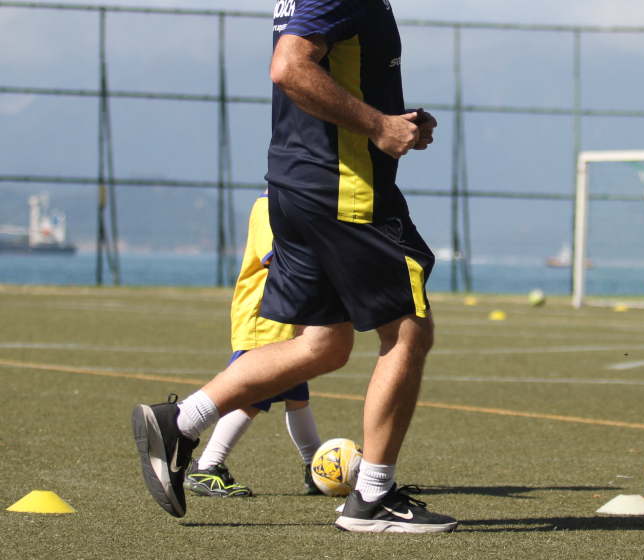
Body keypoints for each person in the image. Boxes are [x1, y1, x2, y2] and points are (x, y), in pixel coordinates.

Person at [132, 0, 458, 533]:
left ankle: (180, 422)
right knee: (407, 331)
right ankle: (373, 498)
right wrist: (378, 125)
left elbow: (324, 72)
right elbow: (289, 67)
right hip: (341, 190)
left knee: (322, 345)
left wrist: (392, 121)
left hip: (295, 184)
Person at [184, 191, 323, 499]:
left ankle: (317, 469)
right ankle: (207, 466)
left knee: (297, 395)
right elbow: (277, 257)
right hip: (264, 319)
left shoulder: (290, 204)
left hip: (284, 319)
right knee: (253, 394)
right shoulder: (270, 208)